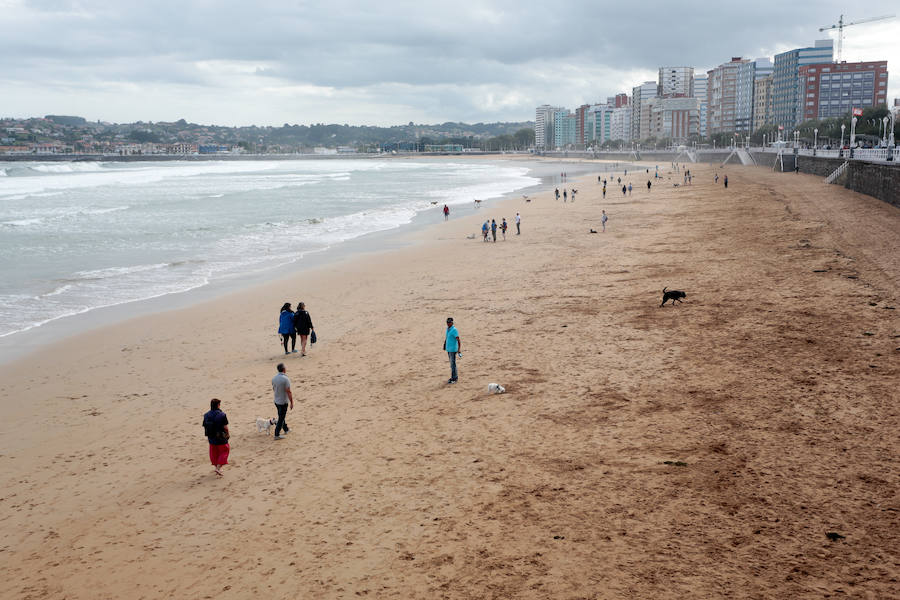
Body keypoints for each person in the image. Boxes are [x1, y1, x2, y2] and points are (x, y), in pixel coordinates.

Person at [202, 398, 229, 476]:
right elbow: (225, 427)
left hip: (211, 437)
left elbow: (204, 426)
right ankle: (218, 468)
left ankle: (216, 467)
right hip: (220, 437)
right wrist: (227, 434)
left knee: (214, 452)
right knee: (224, 451)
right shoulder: (222, 415)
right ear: (218, 405)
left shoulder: (206, 415)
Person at [271, 363, 293, 440]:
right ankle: (276, 434)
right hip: (283, 402)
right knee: (281, 418)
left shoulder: (274, 378)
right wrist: (292, 402)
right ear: (284, 369)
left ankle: (286, 429)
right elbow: (289, 391)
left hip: (276, 401)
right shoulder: (286, 379)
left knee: (281, 416)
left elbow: (274, 389)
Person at [443, 317, 460, 384]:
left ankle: (454, 378)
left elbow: (458, 340)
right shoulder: (448, 329)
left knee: (453, 364)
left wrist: (459, 349)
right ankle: (453, 377)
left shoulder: (454, 330)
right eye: (447, 322)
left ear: (452, 322)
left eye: (449, 322)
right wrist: (445, 344)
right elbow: (447, 337)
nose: (448, 323)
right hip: (449, 349)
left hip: (453, 350)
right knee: (452, 364)